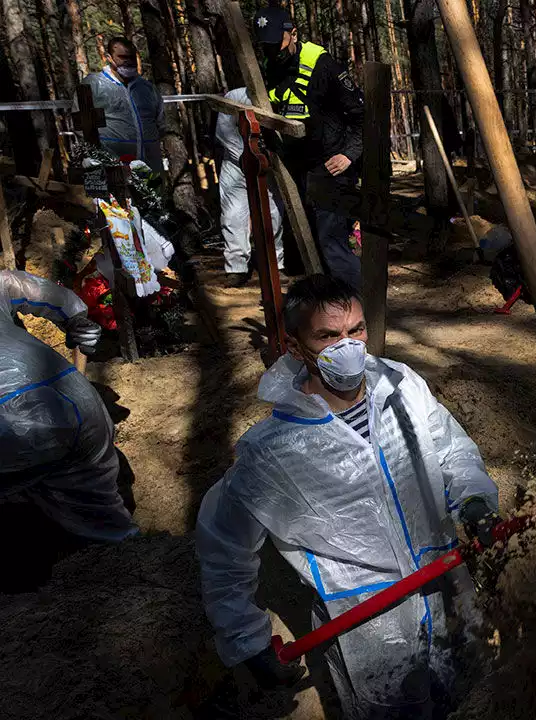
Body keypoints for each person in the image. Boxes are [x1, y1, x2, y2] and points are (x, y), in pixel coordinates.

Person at [196, 274, 500, 718]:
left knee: (476, 698)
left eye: (356, 329)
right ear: (296, 347)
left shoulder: (401, 386)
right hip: (368, 621)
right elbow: (224, 547)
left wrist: (473, 500)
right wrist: (245, 639)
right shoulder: (273, 451)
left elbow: (451, 449)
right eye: (328, 335)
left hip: (448, 582)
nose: (349, 344)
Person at [0, 270, 138, 544]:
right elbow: (51, 295)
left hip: (10, 422)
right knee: (107, 525)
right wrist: (78, 324)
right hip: (77, 398)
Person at [254, 4, 364, 290]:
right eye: (265, 45)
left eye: (276, 42)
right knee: (306, 243)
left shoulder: (323, 64)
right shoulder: (270, 66)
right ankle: (325, 311)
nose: (272, 51)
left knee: (332, 243)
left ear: (293, 34)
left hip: (332, 165)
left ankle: (355, 311)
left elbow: (361, 116)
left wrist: (349, 154)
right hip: (298, 167)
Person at [217, 86, 286, 287]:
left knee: (273, 215)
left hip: (269, 164)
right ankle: (236, 267)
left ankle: (275, 264)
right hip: (236, 163)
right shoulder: (235, 97)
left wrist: (267, 158)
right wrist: (247, 156)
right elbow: (223, 132)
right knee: (233, 216)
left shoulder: (279, 93)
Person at [79, 37, 164, 173]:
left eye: (131, 57)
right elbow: (82, 125)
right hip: (113, 167)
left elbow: (160, 122)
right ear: (108, 57)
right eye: (122, 57)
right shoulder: (92, 85)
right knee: (118, 194)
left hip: (150, 166)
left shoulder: (147, 88)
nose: (128, 61)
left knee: (155, 194)